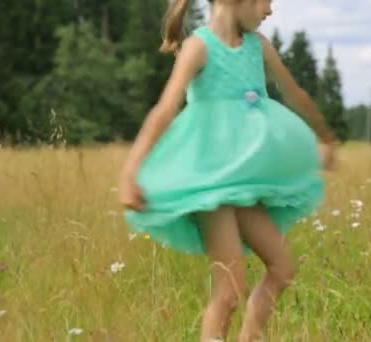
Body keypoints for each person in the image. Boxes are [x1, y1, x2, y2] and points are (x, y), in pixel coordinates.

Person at [118, 0, 337, 340]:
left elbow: (295, 93)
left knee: (282, 268)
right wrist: (130, 172)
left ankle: (251, 337)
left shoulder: (259, 46)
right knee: (230, 291)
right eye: (266, 0)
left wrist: (324, 137)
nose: (270, 10)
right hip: (211, 187)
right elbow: (164, 110)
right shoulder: (198, 48)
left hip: (245, 183)